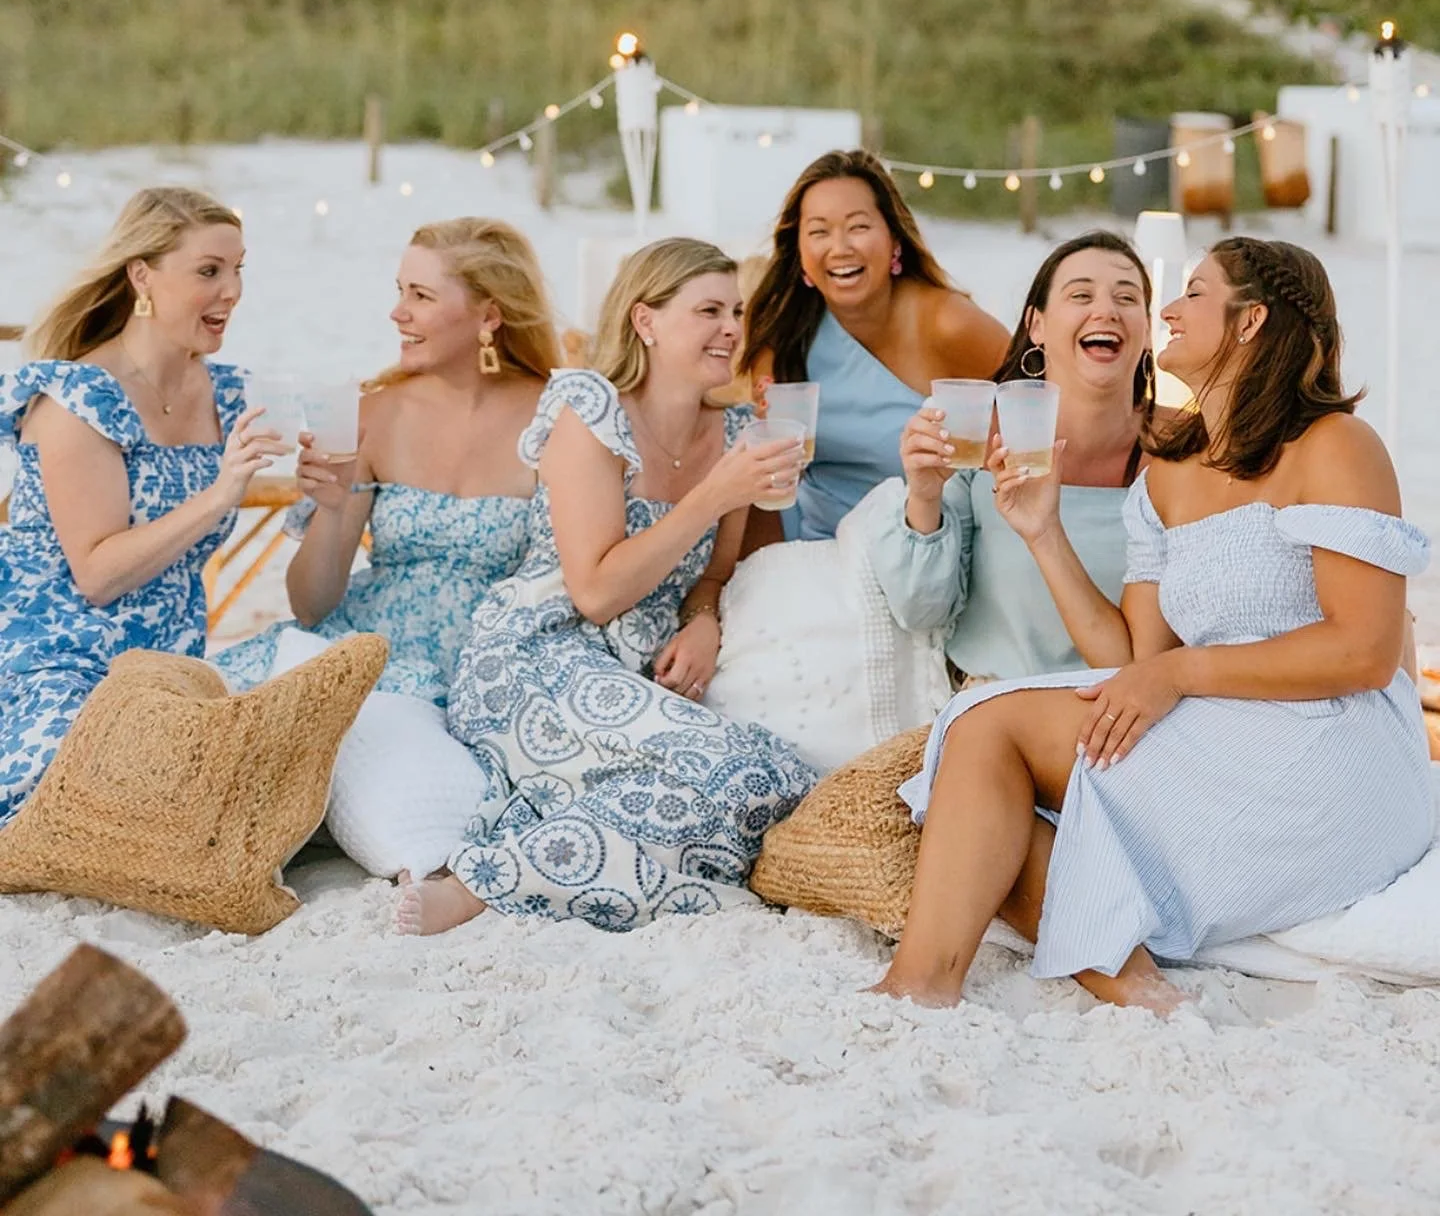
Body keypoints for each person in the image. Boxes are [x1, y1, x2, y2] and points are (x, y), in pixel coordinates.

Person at [874, 238, 1433, 1011]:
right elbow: (1132, 660)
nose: (1168, 309)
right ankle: (1122, 978)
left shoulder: (1335, 444)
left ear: (1250, 321)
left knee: (985, 728)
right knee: (987, 788)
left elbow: (1365, 652)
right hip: (1221, 741)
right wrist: (1043, 531)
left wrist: (1179, 674)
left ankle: (918, 987)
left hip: (1335, 758)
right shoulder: (1168, 470)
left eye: (1194, 293)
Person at [397, 238, 820, 935]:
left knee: (776, 782)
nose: (731, 329)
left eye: (737, 312)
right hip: (538, 657)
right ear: (645, 321)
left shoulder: (736, 432)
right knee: (734, 773)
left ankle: (537, 855)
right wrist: (714, 495)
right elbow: (594, 592)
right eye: (709, 311)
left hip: (636, 674)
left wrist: (705, 618)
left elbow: (716, 572)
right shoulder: (591, 409)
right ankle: (482, 884)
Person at [0, 187, 284, 827]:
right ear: (142, 276)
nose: (232, 291)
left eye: (238, 269)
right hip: (62, 658)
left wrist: (329, 493)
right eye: (209, 271)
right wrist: (220, 495)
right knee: (78, 785)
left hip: (172, 665)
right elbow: (98, 576)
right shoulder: (80, 398)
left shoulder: (229, 393)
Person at [215, 219, 558, 706]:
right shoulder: (374, 414)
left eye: (421, 295)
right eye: (401, 291)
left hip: (496, 667)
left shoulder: (557, 419)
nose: (398, 313)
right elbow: (310, 608)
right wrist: (331, 508)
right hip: (371, 656)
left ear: (489, 316)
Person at [860, 233, 1154, 686]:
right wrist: (924, 495)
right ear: (1037, 325)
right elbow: (921, 613)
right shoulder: (976, 435)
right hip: (995, 698)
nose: (1106, 310)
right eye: (1081, 295)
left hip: (1126, 704)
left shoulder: (1181, 451)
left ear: (1148, 330)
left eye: (1127, 297)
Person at [741, 150, 1007, 541]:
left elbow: (1035, 403)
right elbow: (767, 479)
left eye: (859, 227)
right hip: (816, 544)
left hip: (925, 547)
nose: (840, 247)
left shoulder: (947, 323)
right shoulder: (782, 335)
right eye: (819, 232)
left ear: (894, 240)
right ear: (799, 253)